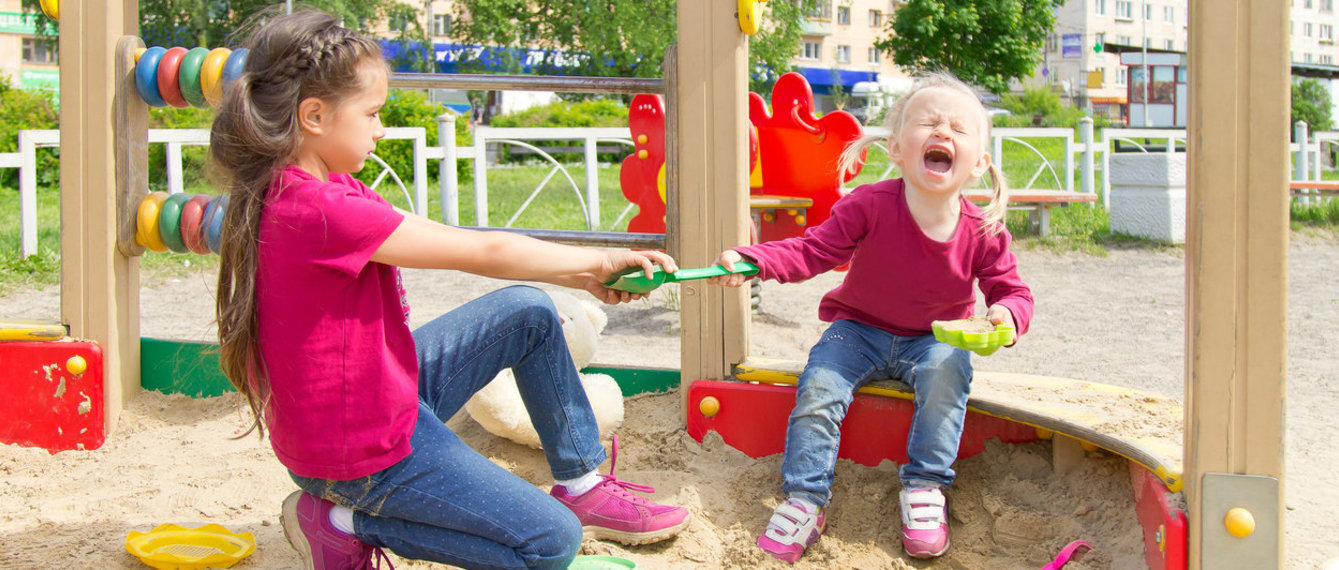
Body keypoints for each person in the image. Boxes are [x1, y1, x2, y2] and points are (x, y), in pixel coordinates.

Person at [210, 10, 690, 570]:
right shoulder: (319, 210)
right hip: (361, 454)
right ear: (314, 115)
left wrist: (585, 274)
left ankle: (581, 483)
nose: (381, 128)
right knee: (550, 543)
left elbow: (468, 249)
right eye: (371, 114)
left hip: (376, 398)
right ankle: (342, 520)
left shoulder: (316, 187)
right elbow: (478, 252)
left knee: (529, 314)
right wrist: (597, 260)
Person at [708, 71, 1033, 562]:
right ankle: (805, 498)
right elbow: (814, 249)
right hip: (858, 330)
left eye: (959, 129)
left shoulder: (982, 228)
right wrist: (758, 260)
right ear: (897, 149)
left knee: (951, 372)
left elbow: (1012, 290)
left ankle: (925, 487)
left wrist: (1006, 315)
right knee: (819, 386)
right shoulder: (870, 204)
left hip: (935, 339)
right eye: (928, 123)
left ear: (979, 163)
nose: (943, 132)